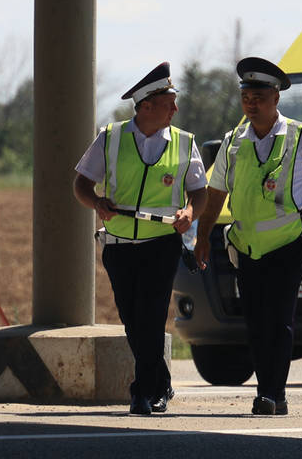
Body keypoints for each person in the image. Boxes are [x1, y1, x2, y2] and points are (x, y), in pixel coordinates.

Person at [194, 56, 302, 416]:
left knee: (279, 317)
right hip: (246, 246)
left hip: (290, 244)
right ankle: (267, 389)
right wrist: (201, 239)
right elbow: (215, 196)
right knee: (256, 320)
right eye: (247, 97)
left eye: (259, 96)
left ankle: (273, 392)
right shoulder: (232, 142)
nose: (252, 103)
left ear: (276, 98)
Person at [73, 62, 208, 416]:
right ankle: (160, 383)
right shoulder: (111, 137)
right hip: (119, 245)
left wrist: (190, 213)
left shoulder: (184, 143)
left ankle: (142, 392)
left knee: (149, 314)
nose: (175, 110)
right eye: (169, 103)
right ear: (146, 105)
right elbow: (81, 184)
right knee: (132, 318)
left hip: (162, 244)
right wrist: (96, 202)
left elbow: (199, 191)